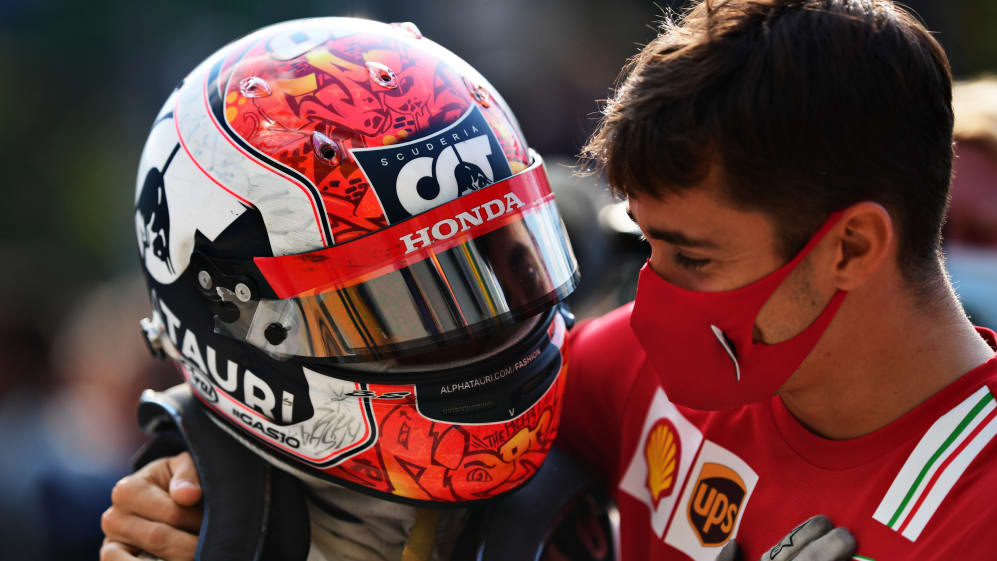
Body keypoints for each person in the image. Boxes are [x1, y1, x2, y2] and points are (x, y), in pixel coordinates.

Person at [100, 16, 609, 561]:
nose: (480, 332)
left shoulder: (615, 416)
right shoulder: (187, 525)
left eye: (509, 271)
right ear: (229, 316)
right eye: (395, 306)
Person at [558, 0, 997, 559]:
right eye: (648, 245)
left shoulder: (980, 514)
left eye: (693, 259)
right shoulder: (635, 370)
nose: (647, 309)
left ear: (852, 247)